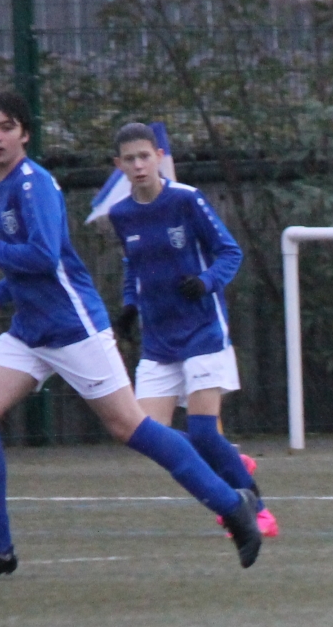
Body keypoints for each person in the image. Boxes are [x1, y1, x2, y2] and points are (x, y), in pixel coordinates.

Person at [0, 91, 263, 576]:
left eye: (6, 126)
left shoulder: (34, 184)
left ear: (24, 134)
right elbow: (31, 262)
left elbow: (46, 257)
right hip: (31, 329)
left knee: (129, 427)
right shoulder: (0, 189)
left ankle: (232, 504)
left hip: (72, 327)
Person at [105, 122, 277, 539]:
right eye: (129, 159)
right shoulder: (121, 214)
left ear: (159, 156)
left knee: (201, 430)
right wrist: (129, 306)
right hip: (159, 341)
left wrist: (206, 281)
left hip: (202, 332)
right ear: (118, 165)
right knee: (148, 433)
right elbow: (133, 264)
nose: (139, 165)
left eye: (145, 156)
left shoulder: (187, 200)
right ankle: (228, 457)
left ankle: (258, 511)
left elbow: (229, 251)